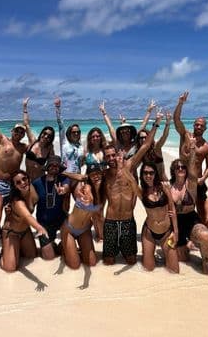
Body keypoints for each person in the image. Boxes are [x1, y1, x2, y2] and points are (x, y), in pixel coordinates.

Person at [101, 112, 162, 265]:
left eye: (113, 155)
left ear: (118, 153)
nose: (111, 158)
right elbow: (85, 177)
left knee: (131, 261)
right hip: (110, 222)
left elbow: (146, 145)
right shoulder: (104, 173)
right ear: (105, 158)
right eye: (107, 156)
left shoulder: (130, 165)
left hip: (128, 220)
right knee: (108, 261)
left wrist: (156, 123)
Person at [168, 137, 208, 274]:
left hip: (190, 218)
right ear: (173, 170)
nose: (181, 169)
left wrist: (193, 148)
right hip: (176, 222)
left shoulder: (191, 184)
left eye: (183, 167)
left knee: (205, 236)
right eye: (178, 167)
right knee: (183, 259)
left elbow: (193, 168)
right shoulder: (168, 186)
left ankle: (206, 269)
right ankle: (188, 244)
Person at [0, 170, 51, 273]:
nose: (23, 183)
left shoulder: (32, 190)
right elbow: (28, 216)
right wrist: (39, 228)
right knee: (10, 268)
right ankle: (4, 253)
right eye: (18, 182)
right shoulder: (17, 202)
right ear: (15, 186)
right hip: (12, 233)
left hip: (25, 231)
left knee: (32, 256)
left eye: (24, 179)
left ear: (28, 179)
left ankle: (16, 249)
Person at [173, 91, 208, 213]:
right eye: (197, 125)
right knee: (178, 209)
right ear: (193, 125)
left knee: (202, 210)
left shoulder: (207, 147)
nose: (199, 127)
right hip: (180, 178)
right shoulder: (185, 135)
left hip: (197, 180)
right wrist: (180, 103)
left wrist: (203, 178)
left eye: (201, 126)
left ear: (205, 128)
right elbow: (176, 120)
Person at [60, 166, 106, 269]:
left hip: (84, 230)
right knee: (75, 266)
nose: (96, 177)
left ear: (102, 174)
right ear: (88, 177)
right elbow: (87, 192)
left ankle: (72, 249)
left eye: (98, 173)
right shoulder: (86, 188)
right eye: (92, 175)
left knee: (91, 263)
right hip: (69, 229)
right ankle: (62, 247)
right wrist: (87, 200)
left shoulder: (103, 192)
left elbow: (98, 217)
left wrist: (101, 235)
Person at [138, 162, 179, 273]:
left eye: (151, 173)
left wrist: (175, 232)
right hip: (149, 233)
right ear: (141, 175)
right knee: (148, 270)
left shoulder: (164, 187)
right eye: (145, 173)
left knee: (174, 271)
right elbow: (130, 180)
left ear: (155, 173)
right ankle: (150, 256)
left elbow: (172, 208)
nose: (148, 176)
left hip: (167, 233)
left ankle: (162, 257)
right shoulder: (141, 191)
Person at [31, 155, 71, 260]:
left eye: (57, 166)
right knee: (49, 257)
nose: (54, 167)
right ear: (47, 167)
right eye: (51, 165)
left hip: (60, 220)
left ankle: (62, 244)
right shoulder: (37, 182)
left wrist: (64, 190)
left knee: (66, 251)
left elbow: (66, 186)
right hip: (44, 222)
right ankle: (52, 244)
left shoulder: (63, 179)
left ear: (59, 168)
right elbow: (30, 200)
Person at [21, 97, 56, 182]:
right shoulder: (33, 141)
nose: (46, 136)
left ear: (50, 139)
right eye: (45, 133)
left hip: (40, 180)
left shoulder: (49, 149)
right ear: (41, 133)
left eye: (49, 136)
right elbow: (26, 124)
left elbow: (54, 164)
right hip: (28, 180)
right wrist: (25, 107)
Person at [54, 96, 82, 174]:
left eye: (78, 132)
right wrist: (58, 108)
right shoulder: (64, 142)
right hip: (65, 175)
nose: (76, 133)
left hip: (77, 175)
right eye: (74, 132)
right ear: (69, 133)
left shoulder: (80, 146)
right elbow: (60, 125)